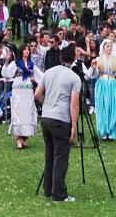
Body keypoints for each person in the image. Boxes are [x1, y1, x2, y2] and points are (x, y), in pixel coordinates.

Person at [35, 44, 81, 202]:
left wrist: (46, 104)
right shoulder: (74, 78)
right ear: (74, 59)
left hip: (46, 117)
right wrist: (73, 125)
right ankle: (59, 193)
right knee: (61, 156)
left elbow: (37, 94)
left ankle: (48, 189)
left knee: (50, 155)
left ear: (60, 57)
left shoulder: (48, 72)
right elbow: (74, 103)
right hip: (61, 119)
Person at [2, 44, 41, 149]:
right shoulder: (16, 63)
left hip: (28, 91)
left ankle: (24, 138)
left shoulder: (31, 64)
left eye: (28, 50)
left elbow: (40, 76)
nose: (27, 51)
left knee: (28, 113)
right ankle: (18, 138)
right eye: (25, 49)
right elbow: (6, 74)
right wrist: (6, 61)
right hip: (18, 91)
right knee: (18, 113)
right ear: (21, 51)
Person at [90, 39, 116, 141]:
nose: (109, 48)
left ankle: (112, 131)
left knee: (112, 106)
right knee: (103, 106)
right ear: (103, 48)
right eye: (107, 46)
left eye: (111, 46)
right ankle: (103, 131)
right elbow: (95, 75)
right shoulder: (99, 59)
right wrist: (94, 68)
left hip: (112, 83)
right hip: (102, 83)